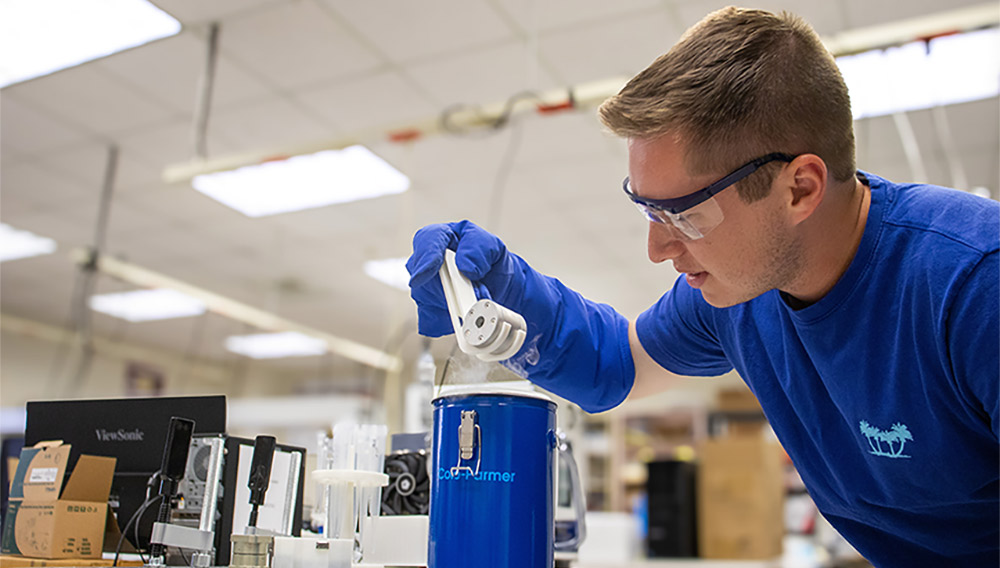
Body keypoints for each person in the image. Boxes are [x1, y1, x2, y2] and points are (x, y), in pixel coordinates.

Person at [406, 7, 998, 567]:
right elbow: (615, 363)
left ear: (800, 189)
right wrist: (512, 295)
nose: (657, 249)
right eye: (648, 212)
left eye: (684, 216)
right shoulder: (740, 297)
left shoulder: (973, 287)